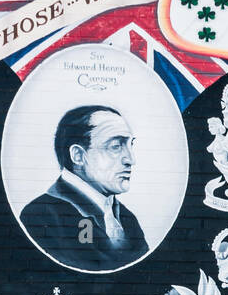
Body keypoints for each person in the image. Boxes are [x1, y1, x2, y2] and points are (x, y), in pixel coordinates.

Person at [21, 106, 149, 271]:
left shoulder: (126, 218)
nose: (131, 160)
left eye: (130, 145)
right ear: (78, 156)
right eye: (116, 146)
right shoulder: (40, 217)